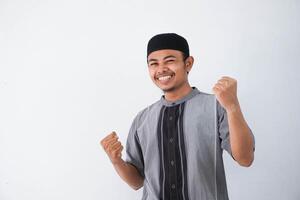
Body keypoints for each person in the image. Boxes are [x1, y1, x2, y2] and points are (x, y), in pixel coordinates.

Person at [100, 33, 255, 200]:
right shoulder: (142, 120)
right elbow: (137, 182)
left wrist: (232, 107)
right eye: (154, 64)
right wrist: (116, 161)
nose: (161, 69)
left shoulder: (215, 106)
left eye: (170, 61)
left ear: (188, 64)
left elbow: (245, 158)